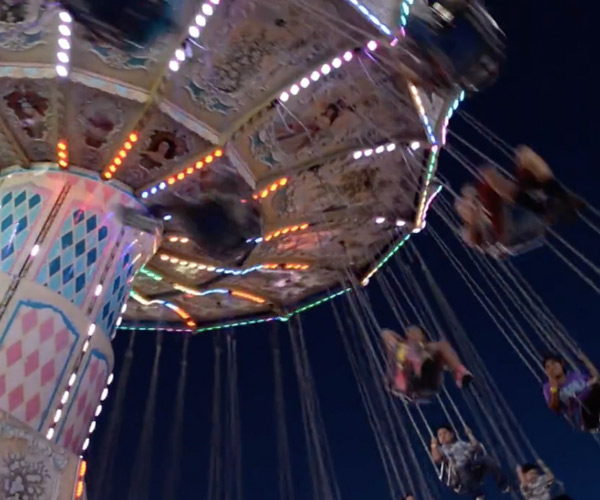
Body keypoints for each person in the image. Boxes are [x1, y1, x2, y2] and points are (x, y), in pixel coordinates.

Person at [455, 146, 584, 258]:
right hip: (508, 234)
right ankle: (545, 207)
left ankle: (560, 196)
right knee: (488, 183)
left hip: (519, 210)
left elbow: (501, 192)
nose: (468, 206)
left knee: (525, 155)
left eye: (468, 202)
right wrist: (472, 222)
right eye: (464, 208)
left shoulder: (487, 201)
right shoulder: (473, 226)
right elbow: (472, 238)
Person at [382, 326, 472, 401]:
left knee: (440, 347)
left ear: (423, 337)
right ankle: (403, 383)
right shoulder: (401, 348)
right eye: (410, 333)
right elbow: (387, 335)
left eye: (417, 333)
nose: (413, 335)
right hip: (408, 382)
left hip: (426, 379)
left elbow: (443, 352)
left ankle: (460, 373)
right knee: (399, 351)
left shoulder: (430, 348)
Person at [431, 425, 510, 499]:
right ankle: (477, 494)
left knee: (488, 460)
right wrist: (433, 446)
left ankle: (502, 483)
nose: (442, 436)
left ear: (452, 434)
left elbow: (477, 448)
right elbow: (437, 459)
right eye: (439, 435)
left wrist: (470, 435)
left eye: (444, 433)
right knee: (462, 467)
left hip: (471, 468)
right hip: (459, 478)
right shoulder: (441, 450)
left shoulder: (461, 444)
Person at [543, 352, 600, 432]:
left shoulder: (576, 375)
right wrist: (554, 390)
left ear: (561, 364)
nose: (552, 368)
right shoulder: (548, 387)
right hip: (582, 413)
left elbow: (596, 379)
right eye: (548, 367)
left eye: (553, 363)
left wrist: (587, 362)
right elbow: (555, 408)